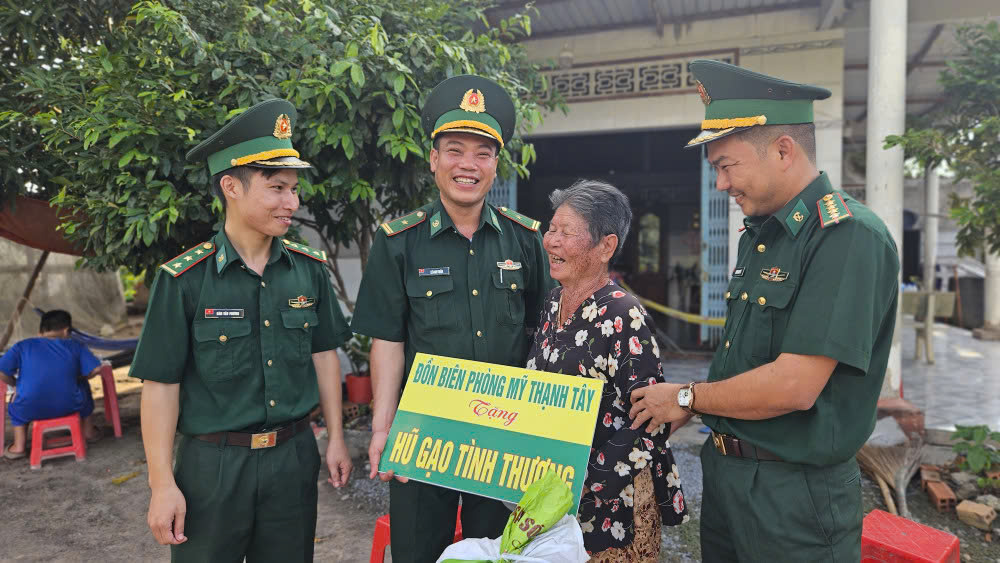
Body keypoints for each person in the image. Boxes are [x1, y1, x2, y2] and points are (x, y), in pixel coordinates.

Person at [629, 60, 900, 561]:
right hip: (731, 477)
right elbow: (745, 363)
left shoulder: (845, 236)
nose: (720, 186)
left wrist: (688, 397)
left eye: (726, 166)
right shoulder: (761, 236)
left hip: (795, 497)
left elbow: (796, 385)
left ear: (782, 149)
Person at [131, 99, 353, 562]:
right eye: (276, 188)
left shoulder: (308, 272)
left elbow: (324, 355)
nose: (291, 202)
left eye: (293, 189)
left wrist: (334, 437)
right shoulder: (184, 280)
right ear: (231, 186)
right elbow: (160, 386)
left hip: (292, 459)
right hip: (213, 467)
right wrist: (161, 484)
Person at [350, 74, 555, 562]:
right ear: (433, 160)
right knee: (419, 549)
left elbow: (543, 336)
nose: (469, 164)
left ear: (496, 164)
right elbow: (387, 340)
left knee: (501, 553)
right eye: (455, 150)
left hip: (503, 435)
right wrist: (383, 427)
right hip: (424, 434)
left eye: (482, 153)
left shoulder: (525, 239)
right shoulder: (399, 241)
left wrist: (544, 433)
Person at [526, 179, 687, 561]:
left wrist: (584, 479)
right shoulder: (553, 302)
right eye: (551, 229)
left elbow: (651, 419)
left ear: (606, 246)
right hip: (554, 494)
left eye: (567, 233)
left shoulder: (622, 314)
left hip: (610, 502)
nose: (552, 241)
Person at [0, 310, 103, 459]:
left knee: (17, 402)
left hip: (30, 408)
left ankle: (18, 447)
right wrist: (79, 377)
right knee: (83, 386)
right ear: (67, 330)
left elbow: (2, 371)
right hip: (69, 405)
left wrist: (16, 385)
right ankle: (89, 432)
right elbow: (96, 368)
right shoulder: (75, 345)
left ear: (40, 332)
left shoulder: (22, 346)